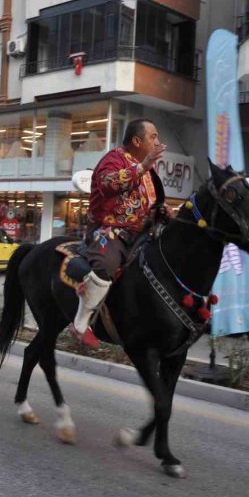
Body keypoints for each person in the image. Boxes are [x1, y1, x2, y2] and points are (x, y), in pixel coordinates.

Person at [68, 118, 168, 348]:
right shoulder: (113, 159)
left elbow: (148, 204)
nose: (158, 142)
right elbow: (107, 184)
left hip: (141, 233)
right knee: (106, 264)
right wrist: (142, 167)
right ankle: (81, 324)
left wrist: (163, 212)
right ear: (136, 140)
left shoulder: (149, 170)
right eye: (153, 137)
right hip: (109, 230)